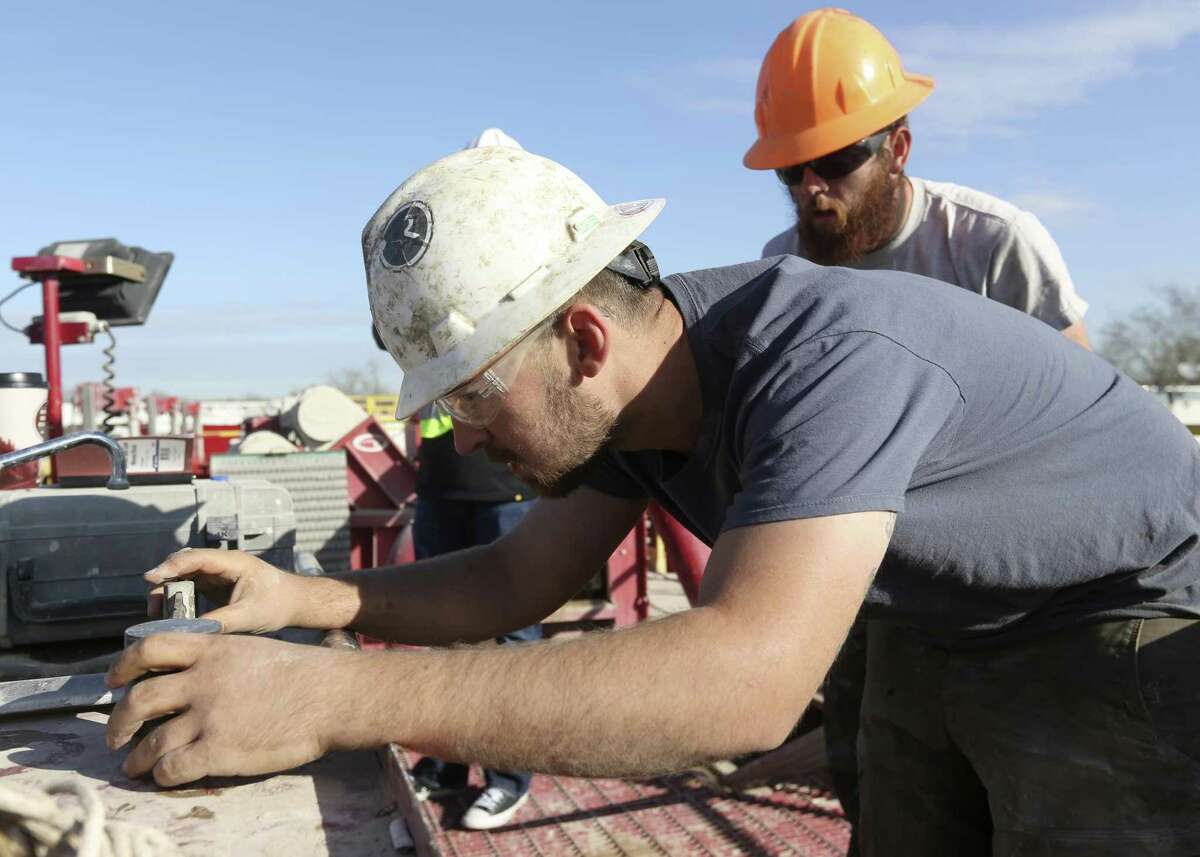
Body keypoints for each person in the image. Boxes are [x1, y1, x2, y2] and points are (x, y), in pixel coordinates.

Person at [106, 147, 1200, 857]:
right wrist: (304, 599)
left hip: (1117, 617)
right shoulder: (639, 397)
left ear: (583, 338)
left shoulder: (828, 356)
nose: (461, 437)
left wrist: (327, 700)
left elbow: (744, 685)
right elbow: (511, 577)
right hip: (942, 619)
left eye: (475, 397)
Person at [743, 10, 1092, 847]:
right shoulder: (782, 272)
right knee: (880, 787)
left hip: (1012, 585)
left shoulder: (992, 248)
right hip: (875, 581)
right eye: (791, 171)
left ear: (897, 148)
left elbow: (1086, 426)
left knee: (1022, 798)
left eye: (834, 162)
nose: (810, 191)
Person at [401, 127, 541, 832]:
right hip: (442, 489)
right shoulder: (433, 305)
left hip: (504, 491)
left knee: (512, 632)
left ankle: (510, 772)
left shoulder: (514, 280)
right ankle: (449, 759)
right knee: (442, 630)